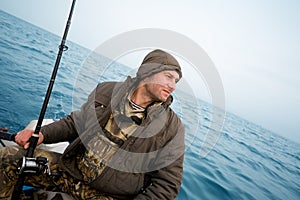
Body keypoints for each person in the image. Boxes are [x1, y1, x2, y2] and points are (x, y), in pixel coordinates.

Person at [0, 49, 185, 199]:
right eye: (168, 77)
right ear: (147, 72)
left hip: (108, 195)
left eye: (176, 81)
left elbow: (167, 185)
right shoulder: (106, 90)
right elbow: (75, 123)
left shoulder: (172, 127)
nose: (173, 85)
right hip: (71, 172)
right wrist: (43, 135)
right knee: (7, 158)